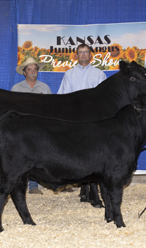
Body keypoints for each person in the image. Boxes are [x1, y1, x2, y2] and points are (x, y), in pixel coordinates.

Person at [57, 44, 107, 193]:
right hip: (74, 119)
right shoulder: (69, 74)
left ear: (90, 55)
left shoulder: (99, 74)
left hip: (93, 120)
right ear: (76, 55)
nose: (83, 54)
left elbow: (104, 99)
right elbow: (62, 97)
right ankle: (80, 184)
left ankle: (91, 186)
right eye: (80, 52)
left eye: (86, 52)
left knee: (92, 152)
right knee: (76, 152)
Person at [12, 57, 51, 195]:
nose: (33, 72)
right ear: (24, 72)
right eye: (29, 69)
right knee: (21, 156)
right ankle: (19, 185)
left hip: (40, 129)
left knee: (38, 156)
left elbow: (51, 110)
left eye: (35, 69)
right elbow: (12, 110)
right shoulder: (16, 89)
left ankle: (34, 185)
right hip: (22, 129)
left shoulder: (45, 88)